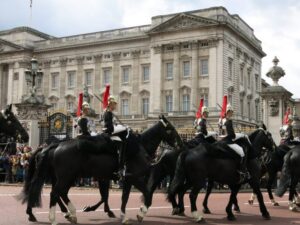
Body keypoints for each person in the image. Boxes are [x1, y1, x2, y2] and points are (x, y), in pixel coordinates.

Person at [221, 104, 250, 181]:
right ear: (228, 112)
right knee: (242, 152)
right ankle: (241, 171)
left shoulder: (222, 121)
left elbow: (223, 132)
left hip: (222, 140)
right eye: (231, 112)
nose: (232, 114)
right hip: (228, 141)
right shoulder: (228, 121)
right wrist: (239, 135)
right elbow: (232, 135)